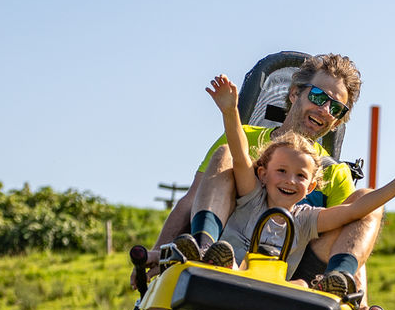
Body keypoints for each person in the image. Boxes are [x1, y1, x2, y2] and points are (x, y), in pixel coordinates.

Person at [151, 53, 379, 295]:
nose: (324, 109)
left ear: (336, 122)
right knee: (226, 153)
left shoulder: (334, 172)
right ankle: (205, 247)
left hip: (297, 276)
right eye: (317, 96)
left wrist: (361, 300)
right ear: (294, 94)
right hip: (227, 251)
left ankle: (333, 285)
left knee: (369, 202)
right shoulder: (244, 138)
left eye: (335, 108)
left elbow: (351, 231)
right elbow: (192, 199)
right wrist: (157, 255)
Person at [196, 75, 395, 289]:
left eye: (301, 176)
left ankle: (333, 286)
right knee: (227, 154)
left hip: (278, 284)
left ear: (311, 187)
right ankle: (207, 252)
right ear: (263, 174)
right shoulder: (251, 196)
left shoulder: (305, 218)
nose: (290, 181)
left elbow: (355, 211)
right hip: (232, 268)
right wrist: (230, 111)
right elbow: (239, 154)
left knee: (302, 283)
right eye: (281, 171)